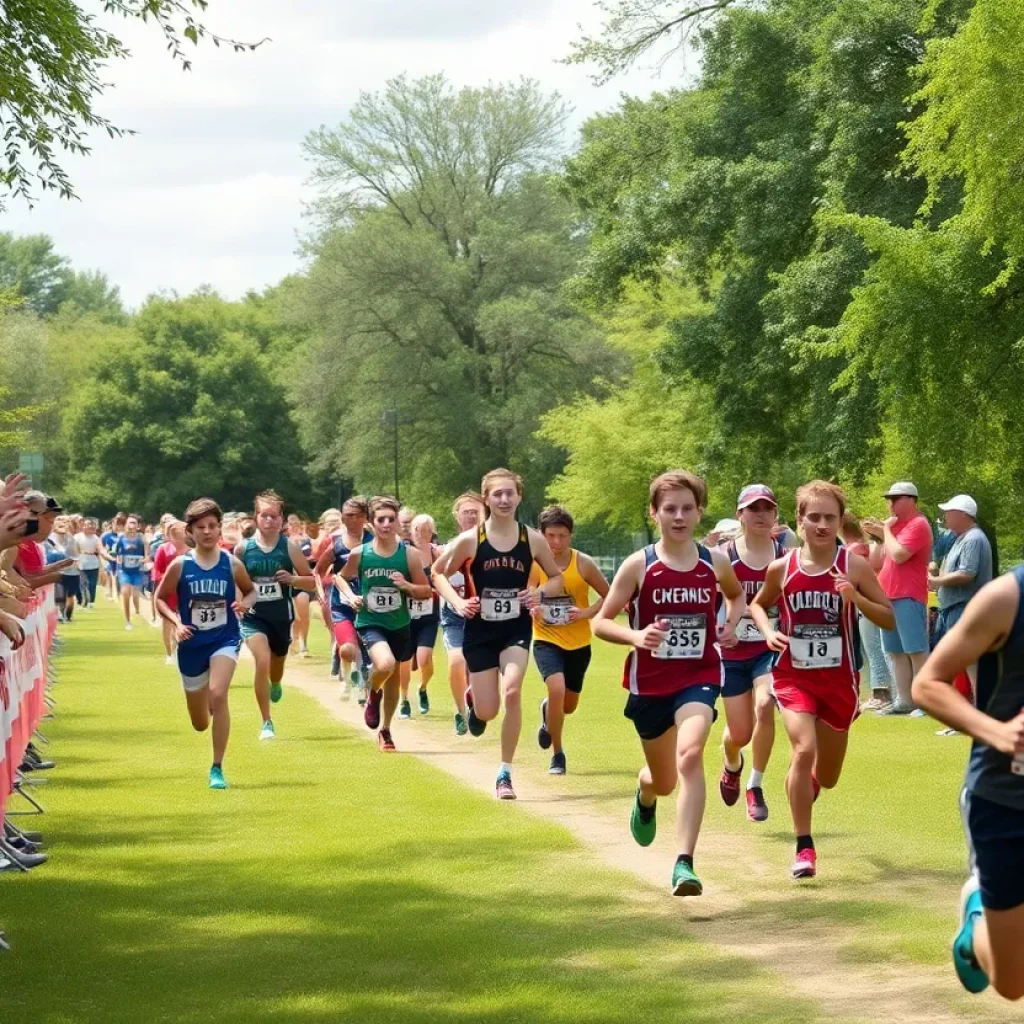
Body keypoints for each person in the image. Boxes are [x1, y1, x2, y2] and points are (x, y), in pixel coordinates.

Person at [594, 470, 744, 896]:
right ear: (654, 513)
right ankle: (645, 794)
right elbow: (602, 623)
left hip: (698, 675)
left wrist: (729, 625)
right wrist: (636, 636)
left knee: (691, 752)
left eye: (687, 508)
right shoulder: (639, 564)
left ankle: (684, 863)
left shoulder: (714, 561)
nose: (678, 516)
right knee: (663, 781)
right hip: (650, 685)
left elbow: (735, 596)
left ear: (699, 512)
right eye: (669, 509)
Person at [751, 480, 894, 880]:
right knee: (803, 749)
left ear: (839, 521)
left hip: (839, 684)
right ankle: (804, 848)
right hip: (793, 677)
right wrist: (766, 631)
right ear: (799, 520)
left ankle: (806, 788)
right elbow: (758, 604)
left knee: (826, 777)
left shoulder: (854, 565)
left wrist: (857, 598)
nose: (821, 524)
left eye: (829, 517)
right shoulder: (783, 568)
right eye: (813, 517)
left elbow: (888, 616)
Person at [911, 571, 1024, 1001]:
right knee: (1013, 984)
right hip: (1006, 802)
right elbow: (927, 682)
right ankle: (976, 919)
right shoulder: (1006, 598)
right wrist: (996, 733)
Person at [434, 469, 564, 799]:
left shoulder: (531, 539)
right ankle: (475, 706)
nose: (504, 499)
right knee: (489, 711)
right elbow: (437, 574)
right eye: (497, 494)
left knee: (513, 691)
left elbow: (556, 578)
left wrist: (539, 593)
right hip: (479, 632)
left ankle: (505, 772)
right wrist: (458, 601)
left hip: (515, 629)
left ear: (519, 496)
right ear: (486, 499)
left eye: (510, 493)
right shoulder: (470, 540)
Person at [155, 498, 257, 790]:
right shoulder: (180, 565)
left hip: (224, 637)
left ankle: (217, 767)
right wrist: (177, 623)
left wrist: (244, 604)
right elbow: (160, 598)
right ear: (191, 531)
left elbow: (251, 592)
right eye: (201, 527)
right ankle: (206, 708)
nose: (208, 532)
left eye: (213, 526)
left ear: (220, 529)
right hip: (192, 644)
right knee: (200, 723)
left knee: (219, 693)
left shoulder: (230, 562)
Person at [336, 496, 432, 752]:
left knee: (392, 680)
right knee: (386, 664)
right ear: (371, 523)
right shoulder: (361, 554)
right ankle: (371, 690)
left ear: (398, 522)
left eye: (392, 519)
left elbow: (426, 591)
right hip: (370, 622)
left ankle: (386, 730)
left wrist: (407, 586)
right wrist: (351, 596)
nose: (387, 524)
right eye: (381, 519)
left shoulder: (409, 555)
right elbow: (340, 578)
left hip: (399, 624)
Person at [717, 485, 790, 822]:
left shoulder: (786, 556)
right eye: (753, 508)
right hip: (731, 653)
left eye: (767, 509)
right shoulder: (723, 556)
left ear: (775, 515)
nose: (761, 515)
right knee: (739, 735)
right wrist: (719, 631)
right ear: (740, 515)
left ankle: (755, 784)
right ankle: (731, 763)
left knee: (766, 703)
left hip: (768, 649)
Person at [529, 505, 609, 775]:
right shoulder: (535, 563)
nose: (556, 542)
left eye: (562, 536)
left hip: (578, 643)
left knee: (568, 706)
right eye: (550, 536)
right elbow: (527, 593)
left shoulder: (583, 563)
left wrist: (586, 613)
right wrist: (533, 606)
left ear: (571, 535)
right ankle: (558, 755)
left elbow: (609, 595)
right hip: (545, 638)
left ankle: (548, 712)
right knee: (556, 688)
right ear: (542, 536)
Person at [236, 491, 316, 740]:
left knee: (276, 664)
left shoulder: (289, 548)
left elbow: (312, 582)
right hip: (253, 617)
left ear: (281, 519)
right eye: (264, 515)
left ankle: (277, 682)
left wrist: (293, 579)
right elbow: (236, 583)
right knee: (261, 660)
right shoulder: (242, 549)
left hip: (281, 617)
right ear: (256, 518)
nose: (269, 520)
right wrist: (240, 601)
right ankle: (266, 722)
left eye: (274, 516)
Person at [862, 482, 933, 715]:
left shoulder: (918, 524)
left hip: (909, 595)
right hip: (888, 596)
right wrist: (878, 537)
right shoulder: (895, 527)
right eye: (889, 498)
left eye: (897, 498)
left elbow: (901, 555)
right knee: (895, 651)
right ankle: (904, 700)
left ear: (912, 500)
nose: (890, 503)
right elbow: (876, 562)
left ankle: (924, 702)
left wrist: (886, 531)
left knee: (916, 650)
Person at [432, 491, 486, 735]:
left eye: (476, 511)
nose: (472, 516)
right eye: (467, 512)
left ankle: (475, 702)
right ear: (457, 517)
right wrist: (456, 600)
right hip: (454, 616)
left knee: (481, 667)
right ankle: (459, 710)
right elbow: (437, 574)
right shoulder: (453, 547)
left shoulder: (494, 546)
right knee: (457, 661)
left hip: (486, 618)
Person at [929, 495, 994, 690]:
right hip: (957, 607)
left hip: (966, 606)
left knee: (972, 660)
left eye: (949, 512)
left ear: (963, 515)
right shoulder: (961, 538)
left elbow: (967, 573)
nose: (945, 516)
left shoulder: (973, 538)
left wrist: (937, 581)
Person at [314, 498, 373, 698]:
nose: (353, 519)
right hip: (341, 604)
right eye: (348, 515)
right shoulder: (335, 543)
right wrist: (322, 594)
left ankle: (365, 690)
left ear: (365, 517)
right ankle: (347, 679)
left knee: (368, 651)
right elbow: (318, 571)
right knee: (348, 649)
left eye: (357, 515)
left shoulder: (373, 540)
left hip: (368, 603)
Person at [401, 513, 442, 718]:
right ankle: (404, 700)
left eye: (426, 529)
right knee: (404, 661)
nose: (422, 534)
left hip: (429, 615)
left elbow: (446, 579)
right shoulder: (404, 553)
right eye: (418, 529)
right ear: (412, 531)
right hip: (405, 616)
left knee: (424, 658)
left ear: (432, 532)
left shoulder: (437, 553)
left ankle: (423, 688)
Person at [152, 520, 189, 665]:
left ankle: (180, 650)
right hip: (168, 591)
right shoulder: (163, 549)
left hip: (185, 592)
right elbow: (157, 570)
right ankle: (169, 653)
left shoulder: (191, 549)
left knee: (182, 622)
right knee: (167, 622)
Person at [109, 514, 148, 630]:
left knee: (135, 595)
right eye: (129, 523)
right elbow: (114, 552)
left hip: (137, 571)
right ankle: (128, 621)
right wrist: (114, 556)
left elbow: (147, 556)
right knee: (125, 592)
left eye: (134, 523)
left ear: (138, 526)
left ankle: (137, 610)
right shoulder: (120, 538)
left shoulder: (142, 539)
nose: (131, 525)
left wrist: (144, 560)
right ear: (125, 526)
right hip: (124, 571)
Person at [286, 513, 313, 658]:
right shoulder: (284, 542)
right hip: (289, 581)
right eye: (291, 525)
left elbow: (312, 556)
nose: (294, 528)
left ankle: (304, 642)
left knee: (304, 615)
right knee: (293, 617)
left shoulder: (306, 541)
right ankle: (293, 640)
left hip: (302, 581)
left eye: (297, 525)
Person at [51, 515, 81, 622]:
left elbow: (75, 555)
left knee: (69, 596)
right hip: (54, 573)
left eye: (66, 521)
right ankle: (58, 616)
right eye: (59, 520)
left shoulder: (71, 539)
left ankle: (67, 616)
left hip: (72, 572)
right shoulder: (49, 538)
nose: (63, 523)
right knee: (58, 597)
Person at [75, 518, 102, 610]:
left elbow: (100, 549)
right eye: (87, 525)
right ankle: (82, 601)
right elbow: (74, 550)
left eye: (91, 525)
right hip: (81, 563)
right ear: (83, 526)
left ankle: (91, 602)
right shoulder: (77, 537)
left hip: (93, 564)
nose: (89, 527)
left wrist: (96, 552)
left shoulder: (96, 538)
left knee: (92, 584)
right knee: (82, 584)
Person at [101, 514, 124, 599]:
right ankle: (109, 593)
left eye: (119, 524)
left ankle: (119, 594)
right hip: (109, 559)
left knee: (118, 577)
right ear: (112, 524)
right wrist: (105, 558)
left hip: (120, 560)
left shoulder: (123, 535)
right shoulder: (106, 535)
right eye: (115, 524)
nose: (117, 526)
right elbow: (101, 548)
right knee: (109, 575)